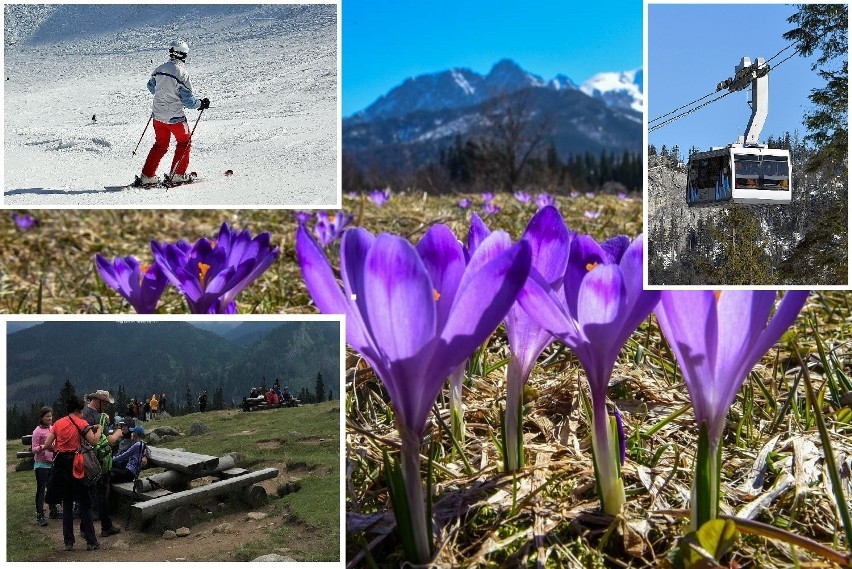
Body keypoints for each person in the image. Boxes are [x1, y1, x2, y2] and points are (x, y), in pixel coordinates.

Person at [136, 40, 210, 187]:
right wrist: (201, 103)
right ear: (183, 55)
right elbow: (188, 101)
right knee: (184, 142)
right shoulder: (181, 73)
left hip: (157, 117)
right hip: (175, 118)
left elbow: (151, 87)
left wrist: (164, 96)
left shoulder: (159, 69)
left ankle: (147, 176)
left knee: (160, 145)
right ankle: (177, 174)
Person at [42, 395, 101, 551]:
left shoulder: (58, 423)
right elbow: (94, 440)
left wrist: (58, 450)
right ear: (78, 410)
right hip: (77, 465)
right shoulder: (81, 423)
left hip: (61, 465)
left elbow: (47, 444)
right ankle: (91, 541)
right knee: (85, 503)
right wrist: (99, 429)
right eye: (81, 411)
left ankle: (68, 541)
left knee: (67, 503)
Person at [83, 391, 122, 538]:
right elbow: (109, 440)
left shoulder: (84, 413)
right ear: (97, 401)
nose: (106, 406)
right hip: (99, 461)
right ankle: (106, 526)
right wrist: (118, 433)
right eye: (105, 403)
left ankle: (84, 528)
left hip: (85, 459)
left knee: (87, 493)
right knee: (101, 493)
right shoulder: (98, 418)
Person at [32, 407, 61, 526]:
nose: (49, 418)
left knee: (52, 487)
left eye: (50, 416)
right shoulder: (37, 431)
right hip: (41, 464)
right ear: (41, 418)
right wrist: (44, 447)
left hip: (52, 462)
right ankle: (40, 514)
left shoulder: (52, 428)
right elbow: (34, 449)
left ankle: (53, 510)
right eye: (47, 416)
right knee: (41, 489)